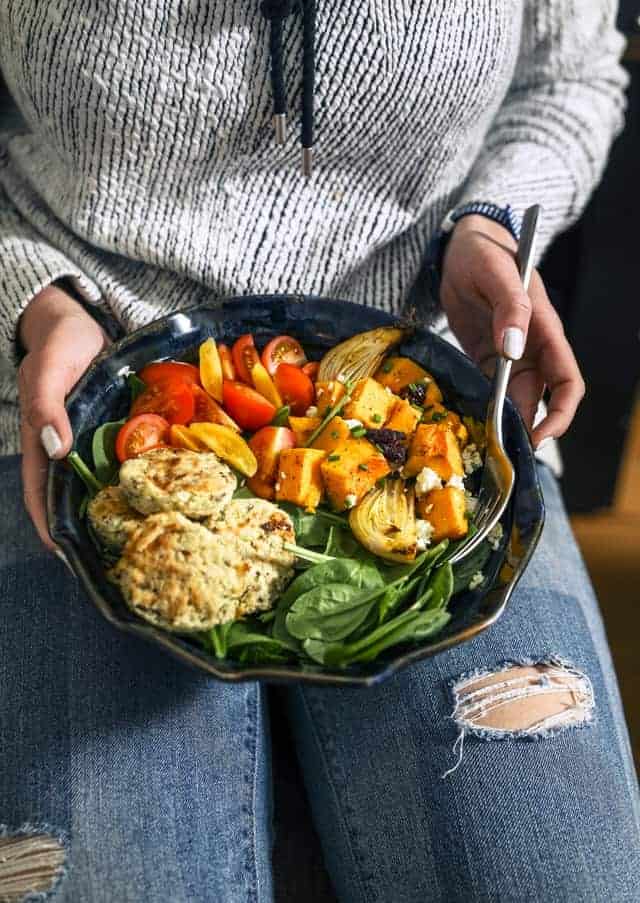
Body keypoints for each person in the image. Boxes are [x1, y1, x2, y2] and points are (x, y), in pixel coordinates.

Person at [1, 1, 639, 900]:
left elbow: (567, 79)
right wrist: (27, 297)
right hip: (77, 384)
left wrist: (491, 224)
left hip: (425, 386)